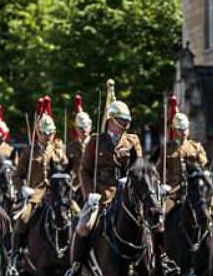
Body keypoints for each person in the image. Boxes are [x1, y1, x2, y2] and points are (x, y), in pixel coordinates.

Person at [77, 80, 142, 234]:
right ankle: (78, 258)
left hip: (127, 194)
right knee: (84, 228)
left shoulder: (132, 141)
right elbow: (84, 170)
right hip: (101, 194)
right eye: (121, 120)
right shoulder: (95, 141)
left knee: (152, 223)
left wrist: (132, 180)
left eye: (126, 120)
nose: (125, 124)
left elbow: (140, 168)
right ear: (111, 120)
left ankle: (160, 256)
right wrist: (89, 195)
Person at [12, 96, 72, 247]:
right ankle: (15, 256)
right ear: (38, 132)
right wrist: (23, 188)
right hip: (36, 195)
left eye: (51, 132)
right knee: (23, 219)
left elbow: (67, 171)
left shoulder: (59, 150)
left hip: (57, 193)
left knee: (78, 215)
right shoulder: (29, 151)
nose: (48, 136)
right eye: (44, 133)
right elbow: (17, 176)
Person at [153, 110, 213, 226]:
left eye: (185, 129)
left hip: (196, 188)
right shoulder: (167, 149)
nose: (183, 132)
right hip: (174, 192)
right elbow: (158, 171)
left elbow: (204, 166)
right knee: (161, 219)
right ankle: (158, 243)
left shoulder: (196, 147)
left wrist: (205, 174)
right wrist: (161, 186)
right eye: (180, 129)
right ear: (175, 130)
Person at [65, 94, 92, 200]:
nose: (83, 130)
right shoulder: (70, 147)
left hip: (95, 187)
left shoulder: (97, 144)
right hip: (76, 188)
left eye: (85, 126)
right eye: (80, 127)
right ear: (76, 128)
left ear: (90, 126)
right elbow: (66, 169)